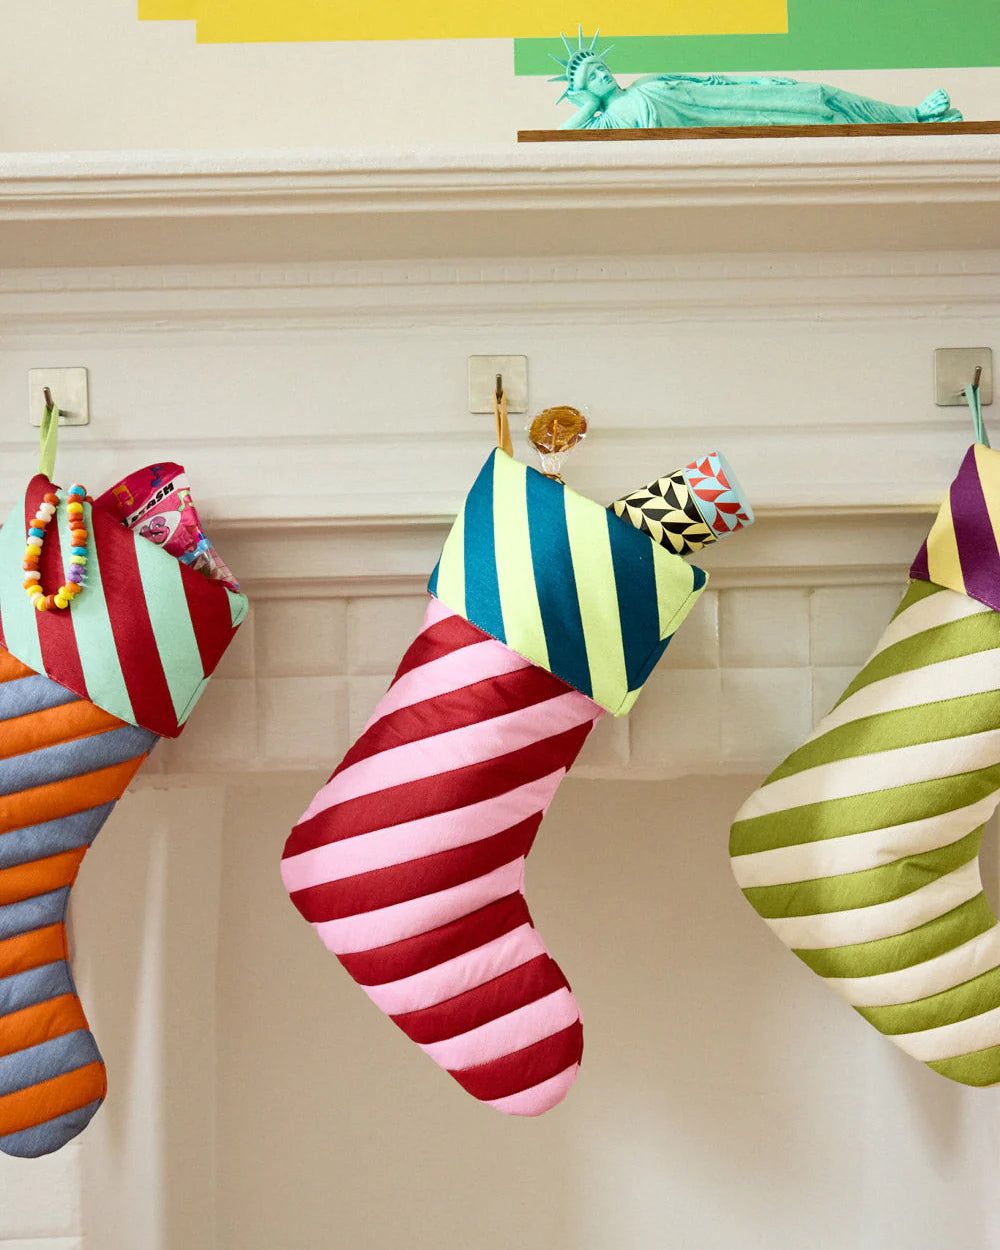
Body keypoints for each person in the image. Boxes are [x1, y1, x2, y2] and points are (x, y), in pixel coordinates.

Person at [552, 32, 962, 130]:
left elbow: (712, 80)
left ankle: (911, 116)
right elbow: (565, 139)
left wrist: (764, 79)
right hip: (738, 123)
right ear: (585, 87)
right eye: (593, 76)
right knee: (826, 119)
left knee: (818, 93)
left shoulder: (645, 82)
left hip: (743, 96)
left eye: (601, 67)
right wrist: (586, 100)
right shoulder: (610, 122)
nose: (603, 74)